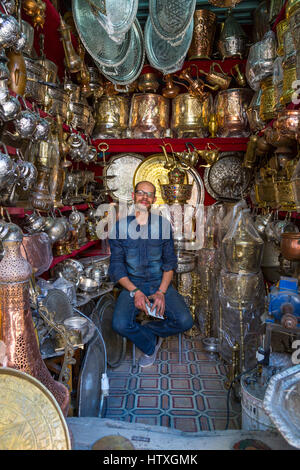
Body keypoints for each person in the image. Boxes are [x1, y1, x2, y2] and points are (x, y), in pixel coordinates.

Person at [108, 180, 193, 367]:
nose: (144, 197)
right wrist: (135, 291)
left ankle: (150, 330)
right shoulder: (119, 228)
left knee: (185, 321)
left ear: (154, 199)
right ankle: (150, 344)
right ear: (133, 196)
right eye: (140, 192)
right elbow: (116, 266)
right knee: (120, 324)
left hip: (159, 282)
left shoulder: (163, 226)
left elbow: (170, 263)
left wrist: (161, 292)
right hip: (132, 284)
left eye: (149, 194)